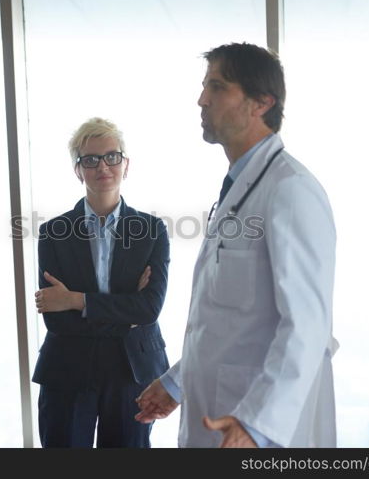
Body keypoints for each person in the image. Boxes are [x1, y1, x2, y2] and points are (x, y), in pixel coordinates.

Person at [135, 42, 338, 448]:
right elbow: (227, 322)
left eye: (217, 87)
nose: (201, 100)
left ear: (261, 103)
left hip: (255, 428)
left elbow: (307, 327)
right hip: (219, 413)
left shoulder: (291, 191)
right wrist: (176, 382)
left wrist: (259, 424)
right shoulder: (240, 189)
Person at [33, 117, 170, 448]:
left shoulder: (152, 230)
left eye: (111, 156)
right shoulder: (53, 233)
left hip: (131, 370)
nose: (103, 166)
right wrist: (125, 312)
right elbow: (57, 317)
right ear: (78, 170)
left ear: (126, 164)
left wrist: (78, 300)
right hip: (68, 369)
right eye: (90, 159)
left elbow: (149, 308)